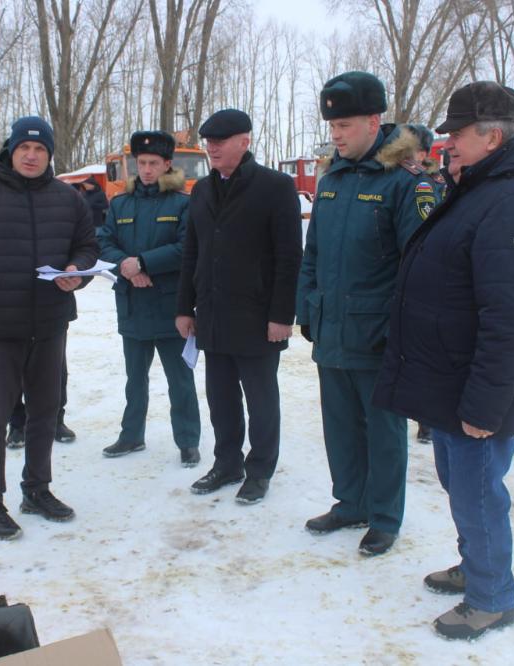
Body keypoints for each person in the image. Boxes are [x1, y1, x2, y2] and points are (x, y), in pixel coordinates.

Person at [372, 82, 514, 640]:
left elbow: (512, 317)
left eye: (457, 134)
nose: (447, 143)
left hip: (478, 390)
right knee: (461, 485)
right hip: (451, 379)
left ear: (493, 136)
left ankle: (492, 598)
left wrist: (484, 404)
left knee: (479, 494)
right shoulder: (483, 185)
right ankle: (475, 567)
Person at [295, 72, 434, 556]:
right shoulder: (332, 176)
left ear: (375, 122)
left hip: (378, 334)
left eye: (346, 124)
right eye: (332, 124)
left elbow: (419, 269)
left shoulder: (405, 182)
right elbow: (312, 253)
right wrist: (305, 307)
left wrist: (401, 333)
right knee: (339, 425)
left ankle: (384, 516)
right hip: (331, 326)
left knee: (383, 430)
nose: (336, 133)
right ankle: (350, 501)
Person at [0, 116, 99, 540]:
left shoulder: (66, 199)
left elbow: (87, 247)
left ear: (50, 155)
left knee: (45, 412)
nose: (32, 156)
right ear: (11, 151)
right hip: (0, 326)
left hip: (50, 322)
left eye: (41, 150)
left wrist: (77, 272)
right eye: (24, 148)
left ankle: (37, 489)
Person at [175, 108, 302, 504]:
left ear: (244, 141)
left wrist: (282, 315)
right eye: (209, 141)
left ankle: (259, 469)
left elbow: (288, 256)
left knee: (261, 400)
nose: (212, 147)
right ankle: (226, 462)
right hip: (213, 315)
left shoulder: (276, 186)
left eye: (221, 141)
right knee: (221, 397)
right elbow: (191, 252)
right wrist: (184, 307)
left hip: (257, 316)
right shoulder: (201, 190)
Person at [98, 130, 201, 466]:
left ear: (167, 164)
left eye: (153, 163)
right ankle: (131, 436)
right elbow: (104, 242)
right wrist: (127, 267)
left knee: (180, 380)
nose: (145, 169)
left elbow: (187, 249)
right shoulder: (120, 204)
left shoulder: (182, 204)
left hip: (170, 306)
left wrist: (143, 262)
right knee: (135, 380)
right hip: (133, 304)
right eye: (140, 163)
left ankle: (187, 441)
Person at [402, 122, 445, 445]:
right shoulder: (402, 182)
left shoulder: (436, 183)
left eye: (414, 151)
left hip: (435, 279)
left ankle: (428, 419)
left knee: (430, 359)